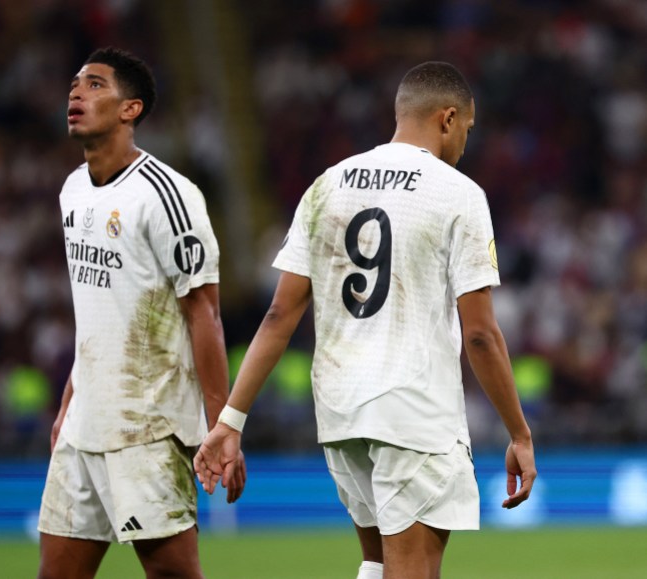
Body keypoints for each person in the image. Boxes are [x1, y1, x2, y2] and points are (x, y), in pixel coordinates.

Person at [195, 61, 536, 579]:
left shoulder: (327, 186)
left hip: (340, 413)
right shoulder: (458, 193)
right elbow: (482, 335)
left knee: (377, 565)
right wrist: (520, 433)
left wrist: (230, 420)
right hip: (411, 412)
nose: (466, 140)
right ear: (447, 118)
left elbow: (279, 314)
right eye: (468, 127)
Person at [37, 47, 245, 579]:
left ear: (130, 110)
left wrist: (223, 426)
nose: (76, 92)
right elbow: (98, 314)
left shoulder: (167, 195)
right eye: (75, 83)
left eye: (95, 85)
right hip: (85, 424)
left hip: (148, 426)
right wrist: (68, 402)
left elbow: (205, 314)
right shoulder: (72, 191)